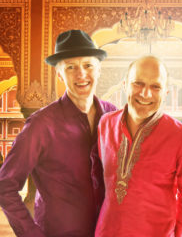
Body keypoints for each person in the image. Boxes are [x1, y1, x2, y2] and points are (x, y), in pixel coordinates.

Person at [0, 29, 116, 237]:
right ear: (59, 73)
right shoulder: (41, 125)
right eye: (71, 67)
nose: (81, 74)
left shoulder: (113, 116)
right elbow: (5, 185)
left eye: (88, 65)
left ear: (99, 69)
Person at [95, 56, 182, 237]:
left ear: (165, 92)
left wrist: (178, 235)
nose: (145, 94)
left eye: (156, 87)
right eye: (138, 83)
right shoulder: (105, 124)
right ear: (125, 85)